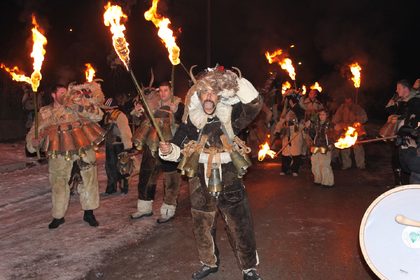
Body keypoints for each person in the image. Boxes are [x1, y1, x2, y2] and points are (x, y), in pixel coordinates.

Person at [159, 66, 263, 280]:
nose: (209, 96)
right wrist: (168, 150)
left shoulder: (231, 114)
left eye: (213, 92)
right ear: (198, 95)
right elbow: (178, 146)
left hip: (229, 173)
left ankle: (249, 268)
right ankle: (209, 262)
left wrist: (234, 81)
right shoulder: (191, 120)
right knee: (202, 224)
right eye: (204, 92)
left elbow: (254, 105)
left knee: (239, 223)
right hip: (199, 176)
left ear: (219, 95)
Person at [25, 81, 106, 229]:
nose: (65, 96)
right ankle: (58, 216)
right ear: (53, 95)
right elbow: (33, 132)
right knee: (58, 182)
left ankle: (89, 213)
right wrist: (33, 143)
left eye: (66, 92)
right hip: (59, 149)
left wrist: (80, 106)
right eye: (62, 93)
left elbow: (98, 116)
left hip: (83, 145)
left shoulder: (75, 104)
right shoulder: (45, 112)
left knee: (88, 179)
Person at [130, 81, 185, 223]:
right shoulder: (153, 103)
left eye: (166, 90)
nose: (162, 93)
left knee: (171, 178)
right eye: (160, 90)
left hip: (170, 145)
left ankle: (168, 208)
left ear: (171, 91)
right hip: (151, 143)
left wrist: (176, 112)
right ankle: (144, 208)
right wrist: (137, 112)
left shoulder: (179, 104)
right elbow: (140, 121)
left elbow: (186, 122)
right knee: (146, 176)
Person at [389, 79, 420, 183]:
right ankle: (399, 183)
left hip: (412, 138)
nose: (396, 90)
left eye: (399, 88)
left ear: (406, 89)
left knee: (413, 164)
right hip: (399, 135)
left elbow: (412, 116)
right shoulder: (398, 100)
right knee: (397, 159)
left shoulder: (415, 99)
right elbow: (389, 109)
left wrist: (415, 89)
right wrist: (393, 116)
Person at [102, 97, 133, 195]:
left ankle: (124, 187)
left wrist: (128, 146)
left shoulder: (120, 115)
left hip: (119, 145)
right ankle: (111, 188)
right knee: (110, 167)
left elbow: (125, 131)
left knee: (122, 167)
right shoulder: (107, 116)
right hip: (110, 145)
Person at [332, 95, 368, 169]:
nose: (348, 102)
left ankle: (361, 165)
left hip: (355, 131)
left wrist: (357, 118)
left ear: (351, 100)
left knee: (358, 148)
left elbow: (364, 118)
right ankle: (346, 164)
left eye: (349, 100)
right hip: (345, 130)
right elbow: (335, 119)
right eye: (346, 100)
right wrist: (341, 125)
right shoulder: (342, 108)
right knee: (345, 148)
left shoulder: (357, 108)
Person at [307, 109, 335, 187]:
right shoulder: (317, 124)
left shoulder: (330, 124)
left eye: (323, 114)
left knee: (324, 165)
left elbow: (333, 136)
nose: (321, 116)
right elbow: (312, 134)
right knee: (315, 163)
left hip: (325, 146)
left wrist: (330, 145)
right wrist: (308, 127)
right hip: (316, 145)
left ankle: (327, 182)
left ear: (327, 115)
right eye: (320, 115)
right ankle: (318, 179)